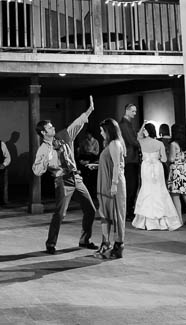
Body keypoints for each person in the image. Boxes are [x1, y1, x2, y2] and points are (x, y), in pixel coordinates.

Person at [32, 96, 98, 254]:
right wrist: (46, 161)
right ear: (43, 132)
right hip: (62, 180)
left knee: (91, 209)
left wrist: (89, 111)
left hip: (76, 176)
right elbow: (36, 171)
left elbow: (76, 124)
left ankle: (85, 239)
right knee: (60, 214)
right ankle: (51, 243)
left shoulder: (63, 137)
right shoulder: (43, 149)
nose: (53, 128)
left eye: (52, 126)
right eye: (49, 127)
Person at [132, 123, 182, 231]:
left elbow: (138, 136)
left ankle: (145, 221)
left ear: (146, 131)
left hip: (145, 167)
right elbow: (164, 159)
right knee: (159, 190)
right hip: (157, 167)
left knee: (146, 189)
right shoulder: (159, 143)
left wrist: (143, 124)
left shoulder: (141, 142)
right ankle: (163, 220)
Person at [95, 118, 127, 259]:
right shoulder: (111, 144)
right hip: (107, 181)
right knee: (107, 213)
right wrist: (97, 165)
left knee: (117, 214)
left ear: (108, 131)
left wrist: (114, 184)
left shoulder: (114, 143)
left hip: (113, 183)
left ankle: (118, 246)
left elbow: (117, 165)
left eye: (102, 131)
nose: (101, 133)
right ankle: (106, 244)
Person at [119, 103, 141, 221]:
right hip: (129, 159)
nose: (135, 113)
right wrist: (142, 144)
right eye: (133, 111)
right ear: (127, 111)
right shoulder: (124, 125)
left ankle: (128, 210)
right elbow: (132, 141)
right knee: (130, 186)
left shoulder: (126, 124)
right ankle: (127, 211)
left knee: (132, 185)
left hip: (131, 158)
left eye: (135, 111)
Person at [168, 124, 186, 225]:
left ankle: (179, 219)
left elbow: (172, 159)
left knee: (175, 195)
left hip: (177, 171)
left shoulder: (174, 144)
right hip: (185, 170)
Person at [76, 129, 100, 204]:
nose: (87, 136)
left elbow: (97, 152)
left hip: (93, 158)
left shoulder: (95, 141)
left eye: (88, 134)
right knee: (85, 176)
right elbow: (81, 151)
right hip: (85, 157)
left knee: (93, 177)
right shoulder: (84, 142)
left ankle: (93, 193)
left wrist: (91, 152)